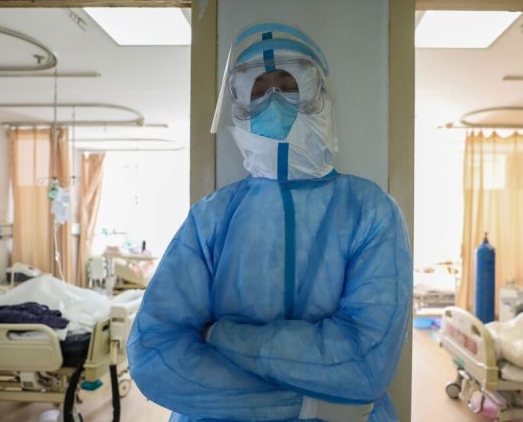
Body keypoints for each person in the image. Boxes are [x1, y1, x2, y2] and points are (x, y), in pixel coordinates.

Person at [128, 22, 412, 422]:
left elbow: (365, 363)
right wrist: (307, 405)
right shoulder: (211, 217)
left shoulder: (369, 210)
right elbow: (155, 356)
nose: (275, 101)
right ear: (239, 102)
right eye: (258, 90)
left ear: (319, 93)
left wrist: (218, 335)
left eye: (290, 84)